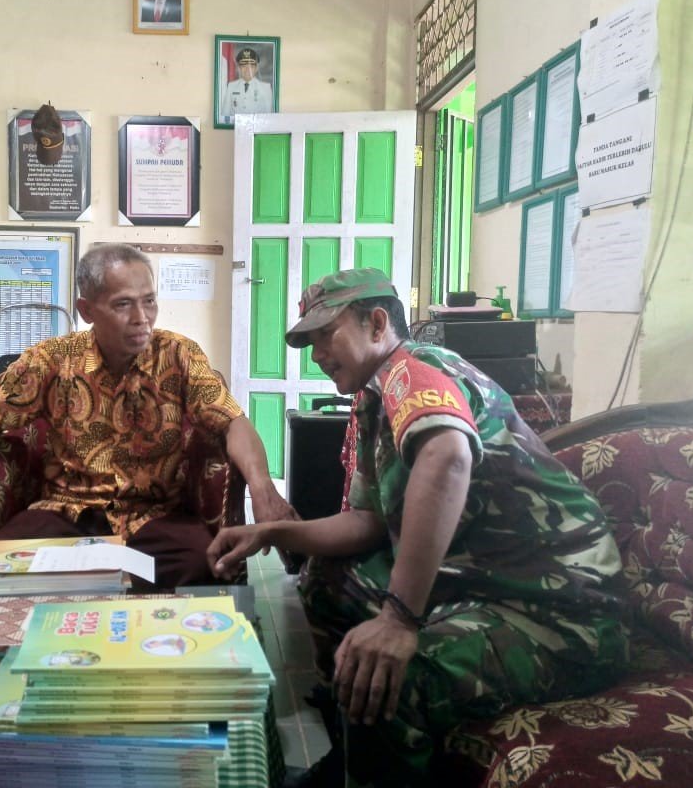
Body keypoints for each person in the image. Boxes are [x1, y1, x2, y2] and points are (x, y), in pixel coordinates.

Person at [208, 268, 628, 787]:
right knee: (327, 580)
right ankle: (352, 755)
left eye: (326, 335)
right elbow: (366, 521)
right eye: (310, 343)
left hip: (559, 613)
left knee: (394, 672)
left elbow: (447, 456)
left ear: (377, 323)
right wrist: (270, 533)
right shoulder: (373, 399)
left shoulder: (416, 368)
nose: (317, 355)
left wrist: (399, 618)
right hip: (483, 583)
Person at [0, 243, 296, 588]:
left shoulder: (179, 355)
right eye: (123, 304)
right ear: (86, 310)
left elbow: (232, 421)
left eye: (149, 301)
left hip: (155, 518)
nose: (142, 318)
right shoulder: (53, 359)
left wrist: (262, 488)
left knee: (204, 565)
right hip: (66, 513)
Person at [220, 47, 273, 124]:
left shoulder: (265, 88)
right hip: (234, 128)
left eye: (251, 66)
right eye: (244, 66)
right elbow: (225, 114)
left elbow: (268, 116)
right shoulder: (231, 86)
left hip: (257, 128)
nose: (247, 70)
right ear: (239, 68)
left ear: (256, 68)